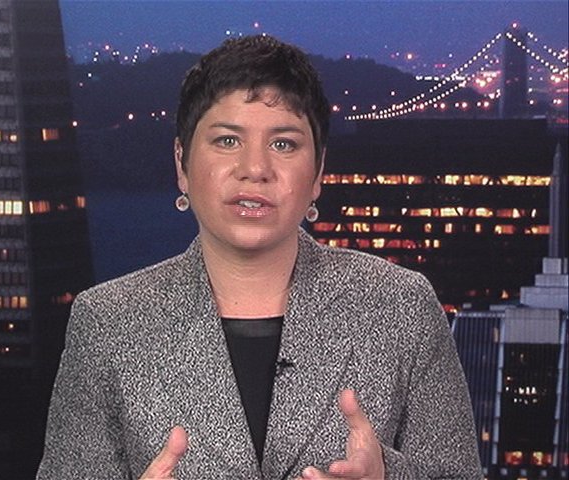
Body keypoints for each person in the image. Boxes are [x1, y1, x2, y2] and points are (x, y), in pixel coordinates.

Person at [37, 35, 481, 479]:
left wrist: (387, 475)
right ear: (181, 164)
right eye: (227, 140)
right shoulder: (107, 321)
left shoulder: (401, 305)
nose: (255, 169)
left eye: (283, 144)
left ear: (318, 173)